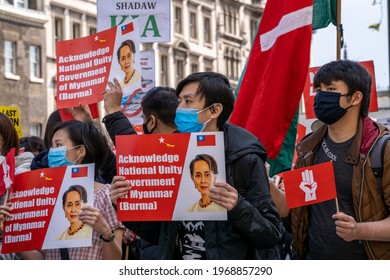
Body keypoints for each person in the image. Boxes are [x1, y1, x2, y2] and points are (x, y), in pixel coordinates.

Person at [110, 72, 282, 259]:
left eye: (189, 102)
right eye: (179, 101)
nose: (180, 108)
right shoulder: (171, 153)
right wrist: (125, 203)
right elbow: (158, 233)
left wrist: (237, 206)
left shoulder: (245, 157)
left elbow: (270, 234)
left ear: (214, 110)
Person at [272, 60, 390, 260]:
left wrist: (358, 230)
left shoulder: (381, 149)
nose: (321, 96)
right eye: (318, 89)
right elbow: (291, 209)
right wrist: (264, 181)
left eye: (331, 88)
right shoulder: (309, 148)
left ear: (355, 98)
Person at [103, 79, 178, 260]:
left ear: (151, 122)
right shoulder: (198, 150)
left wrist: (113, 111)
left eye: (143, 119)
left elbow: (134, 152)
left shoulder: (160, 157)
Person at [28, 120, 123, 259]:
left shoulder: (107, 196)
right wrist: (10, 232)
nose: (52, 152)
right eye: (52, 146)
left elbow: (114, 260)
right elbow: (45, 258)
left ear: (80, 151)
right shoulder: (47, 196)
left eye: (58, 145)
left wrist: (106, 232)